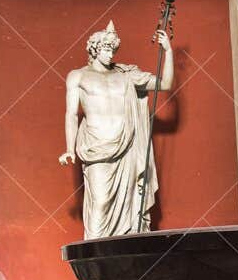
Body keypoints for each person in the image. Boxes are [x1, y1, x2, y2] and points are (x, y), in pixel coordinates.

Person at [59, 22, 174, 238]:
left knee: (131, 209)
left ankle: (125, 260)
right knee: (100, 204)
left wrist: (168, 51)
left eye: (113, 49)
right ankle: (97, 262)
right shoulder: (78, 76)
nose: (110, 53)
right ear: (94, 49)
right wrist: (69, 149)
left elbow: (165, 84)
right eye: (106, 48)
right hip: (97, 148)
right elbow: (71, 114)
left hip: (128, 148)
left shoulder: (126, 75)